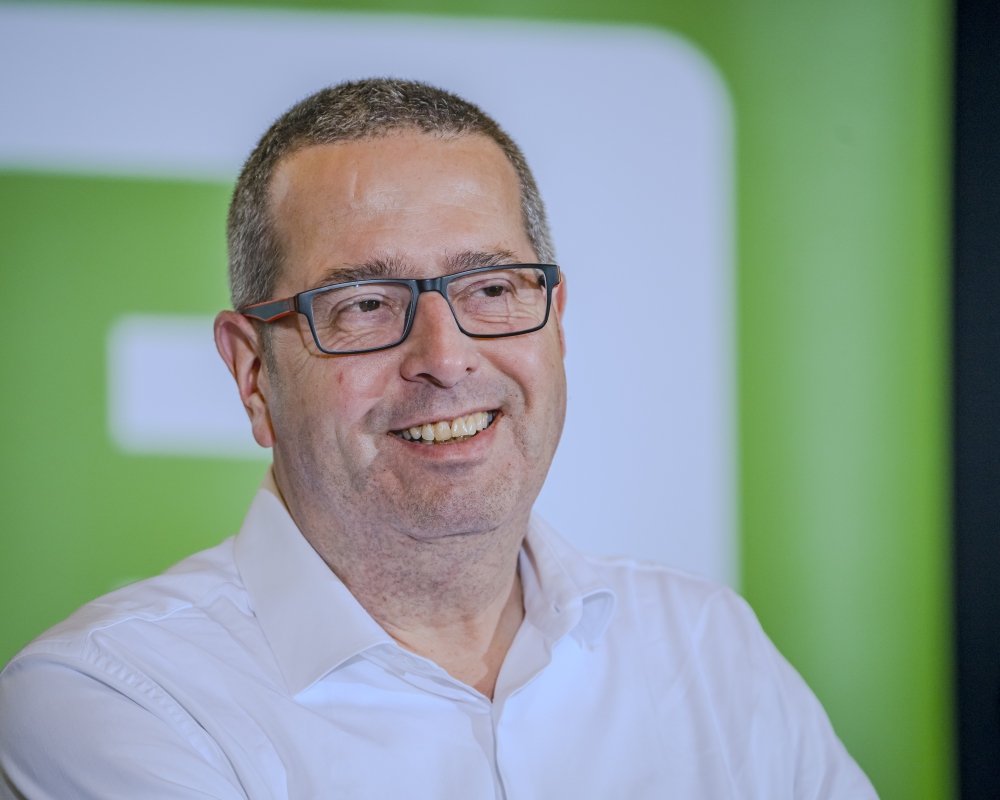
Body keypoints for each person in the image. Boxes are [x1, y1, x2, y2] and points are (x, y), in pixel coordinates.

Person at [0, 79, 876, 799]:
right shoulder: (111, 699)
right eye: (365, 305)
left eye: (491, 289)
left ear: (556, 324)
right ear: (253, 372)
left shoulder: (705, 647)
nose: (446, 359)